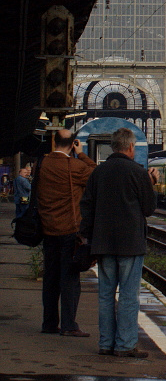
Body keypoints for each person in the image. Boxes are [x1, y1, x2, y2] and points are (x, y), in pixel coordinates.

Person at [79, 127, 158, 358]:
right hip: (130, 244)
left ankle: (105, 344)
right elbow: (148, 208)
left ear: (113, 147)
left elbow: (87, 207)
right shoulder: (138, 172)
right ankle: (125, 345)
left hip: (103, 243)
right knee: (127, 295)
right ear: (131, 147)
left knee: (105, 295)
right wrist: (151, 183)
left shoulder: (98, 173)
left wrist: (88, 238)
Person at [38, 130, 97, 336]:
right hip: (70, 230)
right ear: (72, 144)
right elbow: (95, 172)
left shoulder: (42, 164)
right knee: (70, 279)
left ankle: (49, 323)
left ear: (54, 142)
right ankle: (69, 325)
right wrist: (81, 153)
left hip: (47, 229)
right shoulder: (75, 166)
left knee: (50, 278)